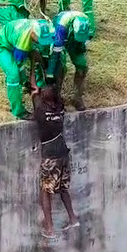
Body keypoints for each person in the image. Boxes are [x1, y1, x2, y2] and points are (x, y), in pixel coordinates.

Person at [32, 86, 80, 239]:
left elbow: (34, 103)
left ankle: (49, 228)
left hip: (51, 156)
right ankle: (73, 219)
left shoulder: (41, 111)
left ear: (44, 97)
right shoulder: (60, 109)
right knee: (63, 188)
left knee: (45, 190)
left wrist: (34, 93)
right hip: (63, 153)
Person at [0, 18, 54, 119]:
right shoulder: (23, 41)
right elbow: (20, 64)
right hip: (1, 46)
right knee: (14, 75)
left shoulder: (44, 27)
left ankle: (28, 87)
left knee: (26, 73)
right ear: (32, 34)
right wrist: (31, 83)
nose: (41, 42)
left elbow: (35, 57)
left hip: (14, 39)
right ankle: (18, 112)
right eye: (39, 39)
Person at [46, 10, 92, 111]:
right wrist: (50, 72)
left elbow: (85, 41)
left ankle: (77, 97)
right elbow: (56, 52)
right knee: (60, 67)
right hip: (61, 37)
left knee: (82, 66)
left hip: (75, 41)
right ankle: (56, 96)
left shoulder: (87, 23)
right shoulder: (61, 26)